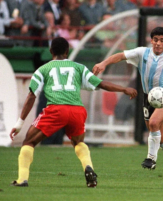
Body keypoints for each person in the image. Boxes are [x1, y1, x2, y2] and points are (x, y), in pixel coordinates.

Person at [9, 37, 137, 187]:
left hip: (56, 109)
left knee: (29, 141)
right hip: (77, 110)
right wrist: (123, 88)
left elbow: (31, 95)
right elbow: (101, 83)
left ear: (51, 52)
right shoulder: (79, 67)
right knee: (78, 142)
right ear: (67, 51)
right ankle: (88, 167)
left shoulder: (42, 70)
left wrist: (20, 123)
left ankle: (22, 179)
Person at [92, 27, 163, 174]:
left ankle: (151, 159)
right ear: (151, 40)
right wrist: (103, 63)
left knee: (153, 123)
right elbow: (120, 55)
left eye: (162, 40)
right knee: (160, 137)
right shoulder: (142, 53)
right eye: (155, 40)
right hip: (148, 98)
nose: (158, 43)